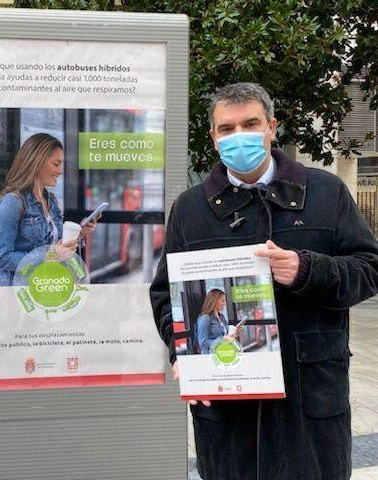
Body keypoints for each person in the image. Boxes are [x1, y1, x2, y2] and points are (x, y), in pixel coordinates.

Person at [150, 83, 378, 480]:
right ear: (214, 138)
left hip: (309, 398)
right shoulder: (190, 209)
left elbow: (370, 267)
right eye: (227, 128)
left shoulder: (326, 192)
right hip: (227, 403)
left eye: (250, 123)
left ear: (271, 127)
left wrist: (306, 270)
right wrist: (180, 349)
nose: (239, 136)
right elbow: (165, 294)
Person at [0, 133, 97, 286]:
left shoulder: (50, 200)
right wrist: (50, 255)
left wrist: (78, 233)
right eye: (56, 164)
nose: (60, 171)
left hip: (44, 291)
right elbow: (0, 259)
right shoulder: (11, 203)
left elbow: (54, 245)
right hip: (17, 298)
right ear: (37, 162)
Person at [195, 289, 239, 354]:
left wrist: (234, 333)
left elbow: (224, 336)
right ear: (214, 301)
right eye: (222, 301)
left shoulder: (222, 317)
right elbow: (203, 343)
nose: (224, 304)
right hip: (211, 356)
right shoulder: (205, 318)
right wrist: (222, 340)